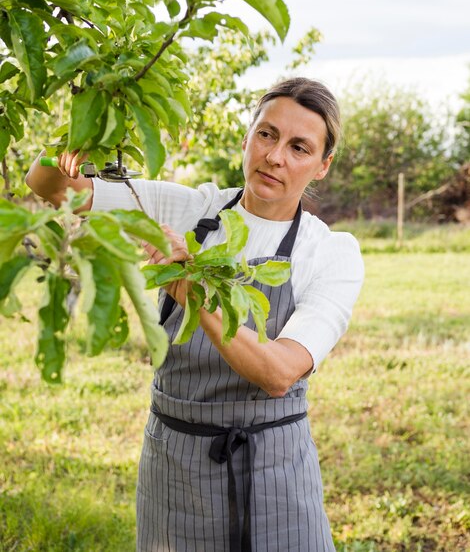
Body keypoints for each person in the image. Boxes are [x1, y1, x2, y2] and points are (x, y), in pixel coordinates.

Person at [26, 77, 364, 552]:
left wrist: (193, 286)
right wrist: (73, 140)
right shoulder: (192, 208)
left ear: (322, 166)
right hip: (175, 468)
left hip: (274, 473)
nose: (275, 157)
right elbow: (50, 186)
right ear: (247, 137)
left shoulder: (330, 252)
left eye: (299, 147)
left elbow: (278, 372)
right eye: (266, 134)